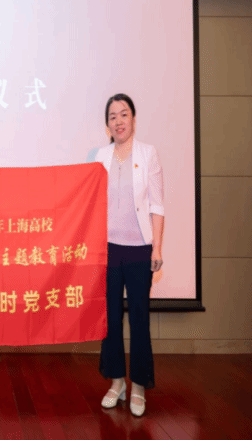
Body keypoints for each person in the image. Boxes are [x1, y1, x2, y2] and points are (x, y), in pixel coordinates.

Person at [96, 94, 164, 417]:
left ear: (133, 119)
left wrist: (157, 247)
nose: (119, 121)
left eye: (124, 114)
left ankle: (138, 386)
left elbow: (157, 205)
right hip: (108, 248)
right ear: (107, 125)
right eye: (113, 116)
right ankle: (116, 382)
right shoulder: (101, 156)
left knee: (139, 318)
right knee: (110, 319)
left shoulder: (148, 154)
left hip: (139, 249)